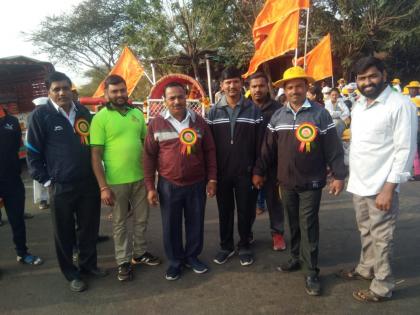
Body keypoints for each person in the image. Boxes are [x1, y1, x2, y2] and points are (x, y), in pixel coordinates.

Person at [253, 66, 346, 296]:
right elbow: (267, 149)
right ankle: (295, 257)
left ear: (307, 87)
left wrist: (338, 175)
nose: (295, 90)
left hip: (312, 181)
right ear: (284, 90)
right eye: (290, 86)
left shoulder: (320, 114)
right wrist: (259, 171)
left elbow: (333, 148)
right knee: (293, 223)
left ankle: (311, 271)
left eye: (299, 86)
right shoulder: (278, 115)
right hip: (285, 182)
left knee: (308, 225)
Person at [338, 57, 417, 302]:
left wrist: (389, 189)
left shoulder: (399, 104)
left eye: (372, 76)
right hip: (360, 182)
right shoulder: (360, 104)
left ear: (383, 74)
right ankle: (366, 268)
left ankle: (382, 285)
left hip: (382, 186)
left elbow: (405, 149)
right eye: (361, 78)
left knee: (382, 238)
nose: (367, 82)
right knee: (366, 230)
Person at [26, 71, 106, 292]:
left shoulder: (83, 112)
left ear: (71, 89)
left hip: (88, 182)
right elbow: (33, 153)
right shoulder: (40, 116)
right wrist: (48, 181)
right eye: (56, 89)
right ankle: (72, 274)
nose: (62, 92)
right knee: (64, 231)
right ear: (49, 92)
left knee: (89, 228)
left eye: (65, 88)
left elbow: (95, 145)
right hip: (60, 185)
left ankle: (89, 265)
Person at [143, 82, 217, 281]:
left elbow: (210, 152)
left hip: (196, 183)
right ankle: (175, 262)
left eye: (180, 97)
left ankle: (192, 257)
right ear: (165, 101)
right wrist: (150, 187)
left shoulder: (199, 122)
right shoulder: (156, 124)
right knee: (170, 225)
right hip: (168, 184)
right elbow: (149, 157)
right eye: (172, 98)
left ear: (186, 98)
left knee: (195, 223)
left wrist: (212, 179)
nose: (176, 101)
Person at [90, 75, 160, 282]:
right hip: (116, 182)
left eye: (122, 90)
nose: (119, 94)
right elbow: (95, 155)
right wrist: (103, 187)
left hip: (140, 178)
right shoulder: (99, 118)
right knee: (119, 223)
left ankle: (139, 253)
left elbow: (146, 146)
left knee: (142, 219)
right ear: (106, 94)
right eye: (114, 91)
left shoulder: (136, 114)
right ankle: (123, 261)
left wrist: (152, 176)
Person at [207, 67, 263, 266]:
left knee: (246, 210)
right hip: (222, 173)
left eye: (235, 81)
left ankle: (245, 245)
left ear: (242, 84)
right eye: (227, 82)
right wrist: (211, 176)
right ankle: (226, 246)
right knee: (225, 211)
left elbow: (260, 144)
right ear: (221, 86)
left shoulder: (253, 110)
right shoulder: (212, 112)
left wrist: (257, 170)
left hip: (246, 172)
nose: (232, 86)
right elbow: (208, 146)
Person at [0, 106, 43, 266]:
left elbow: (17, 146)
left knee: (17, 220)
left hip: (12, 180)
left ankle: (22, 253)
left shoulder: (11, 121)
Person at [248, 72, 286, 251]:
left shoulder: (279, 109)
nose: (257, 89)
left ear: (268, 86)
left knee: (274, 202)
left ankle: (277, 234)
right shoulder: (244, 108)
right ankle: (246, 234)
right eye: (254, 86)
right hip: (248, 165)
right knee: (247, 203)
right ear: (249, 88)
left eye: (261, 86)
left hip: (272, 164)